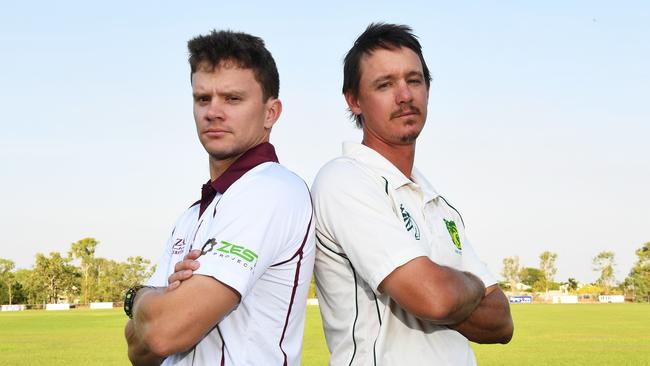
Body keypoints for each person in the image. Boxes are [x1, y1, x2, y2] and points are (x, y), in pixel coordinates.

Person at [311, 23, 514, 365]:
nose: (405, 96)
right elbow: (433, 298)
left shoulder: (437, 203)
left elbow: (502, 322)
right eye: (385, 84)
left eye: (414, 80)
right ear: (354, 100)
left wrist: (442, 288)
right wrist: (473, 286)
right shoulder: (344, 179)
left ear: (428, 89)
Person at [123, 30, 315, 366]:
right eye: (202, 99)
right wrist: (158, 310)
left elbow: (163, 332)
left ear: (271, 113)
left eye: (232, 99)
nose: (213, 112)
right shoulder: (192, 214)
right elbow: (139, 351)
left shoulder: (272, 190)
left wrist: (139, 296)